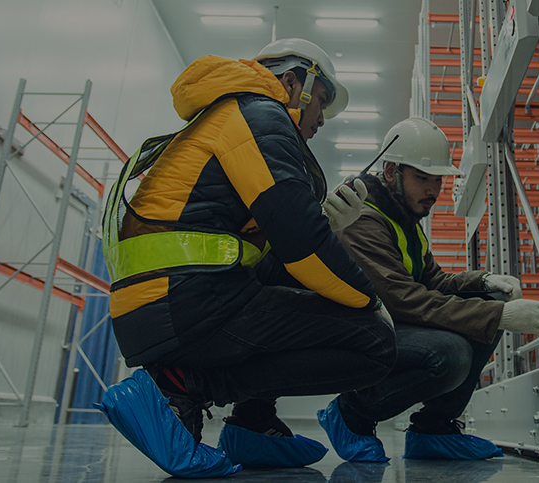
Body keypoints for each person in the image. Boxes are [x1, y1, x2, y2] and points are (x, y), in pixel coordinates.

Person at [99, 38, 392, 472]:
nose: (322, 120)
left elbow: (273, 250)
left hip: (167, 303)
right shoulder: (258, 114)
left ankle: (254, 422)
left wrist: (326, 222)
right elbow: (302, 246)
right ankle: (182, 388)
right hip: (184, 304)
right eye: (322, 102)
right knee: (375, 344)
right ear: (293, 83)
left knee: (298, 282)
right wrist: (371, 301)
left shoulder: (228, 115)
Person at [318, 117, 539, 461]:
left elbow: (433, 281)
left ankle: (434, 427)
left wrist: (484, 282)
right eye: (422, 178)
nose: (432, 190)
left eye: (437, 180)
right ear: (390, 173)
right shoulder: (364, 221)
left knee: (487, 302)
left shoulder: (404, 221)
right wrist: (501, 315)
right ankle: (351, 412)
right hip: (354, 332)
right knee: (449, 355)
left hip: (386, 325)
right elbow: (401, 299)